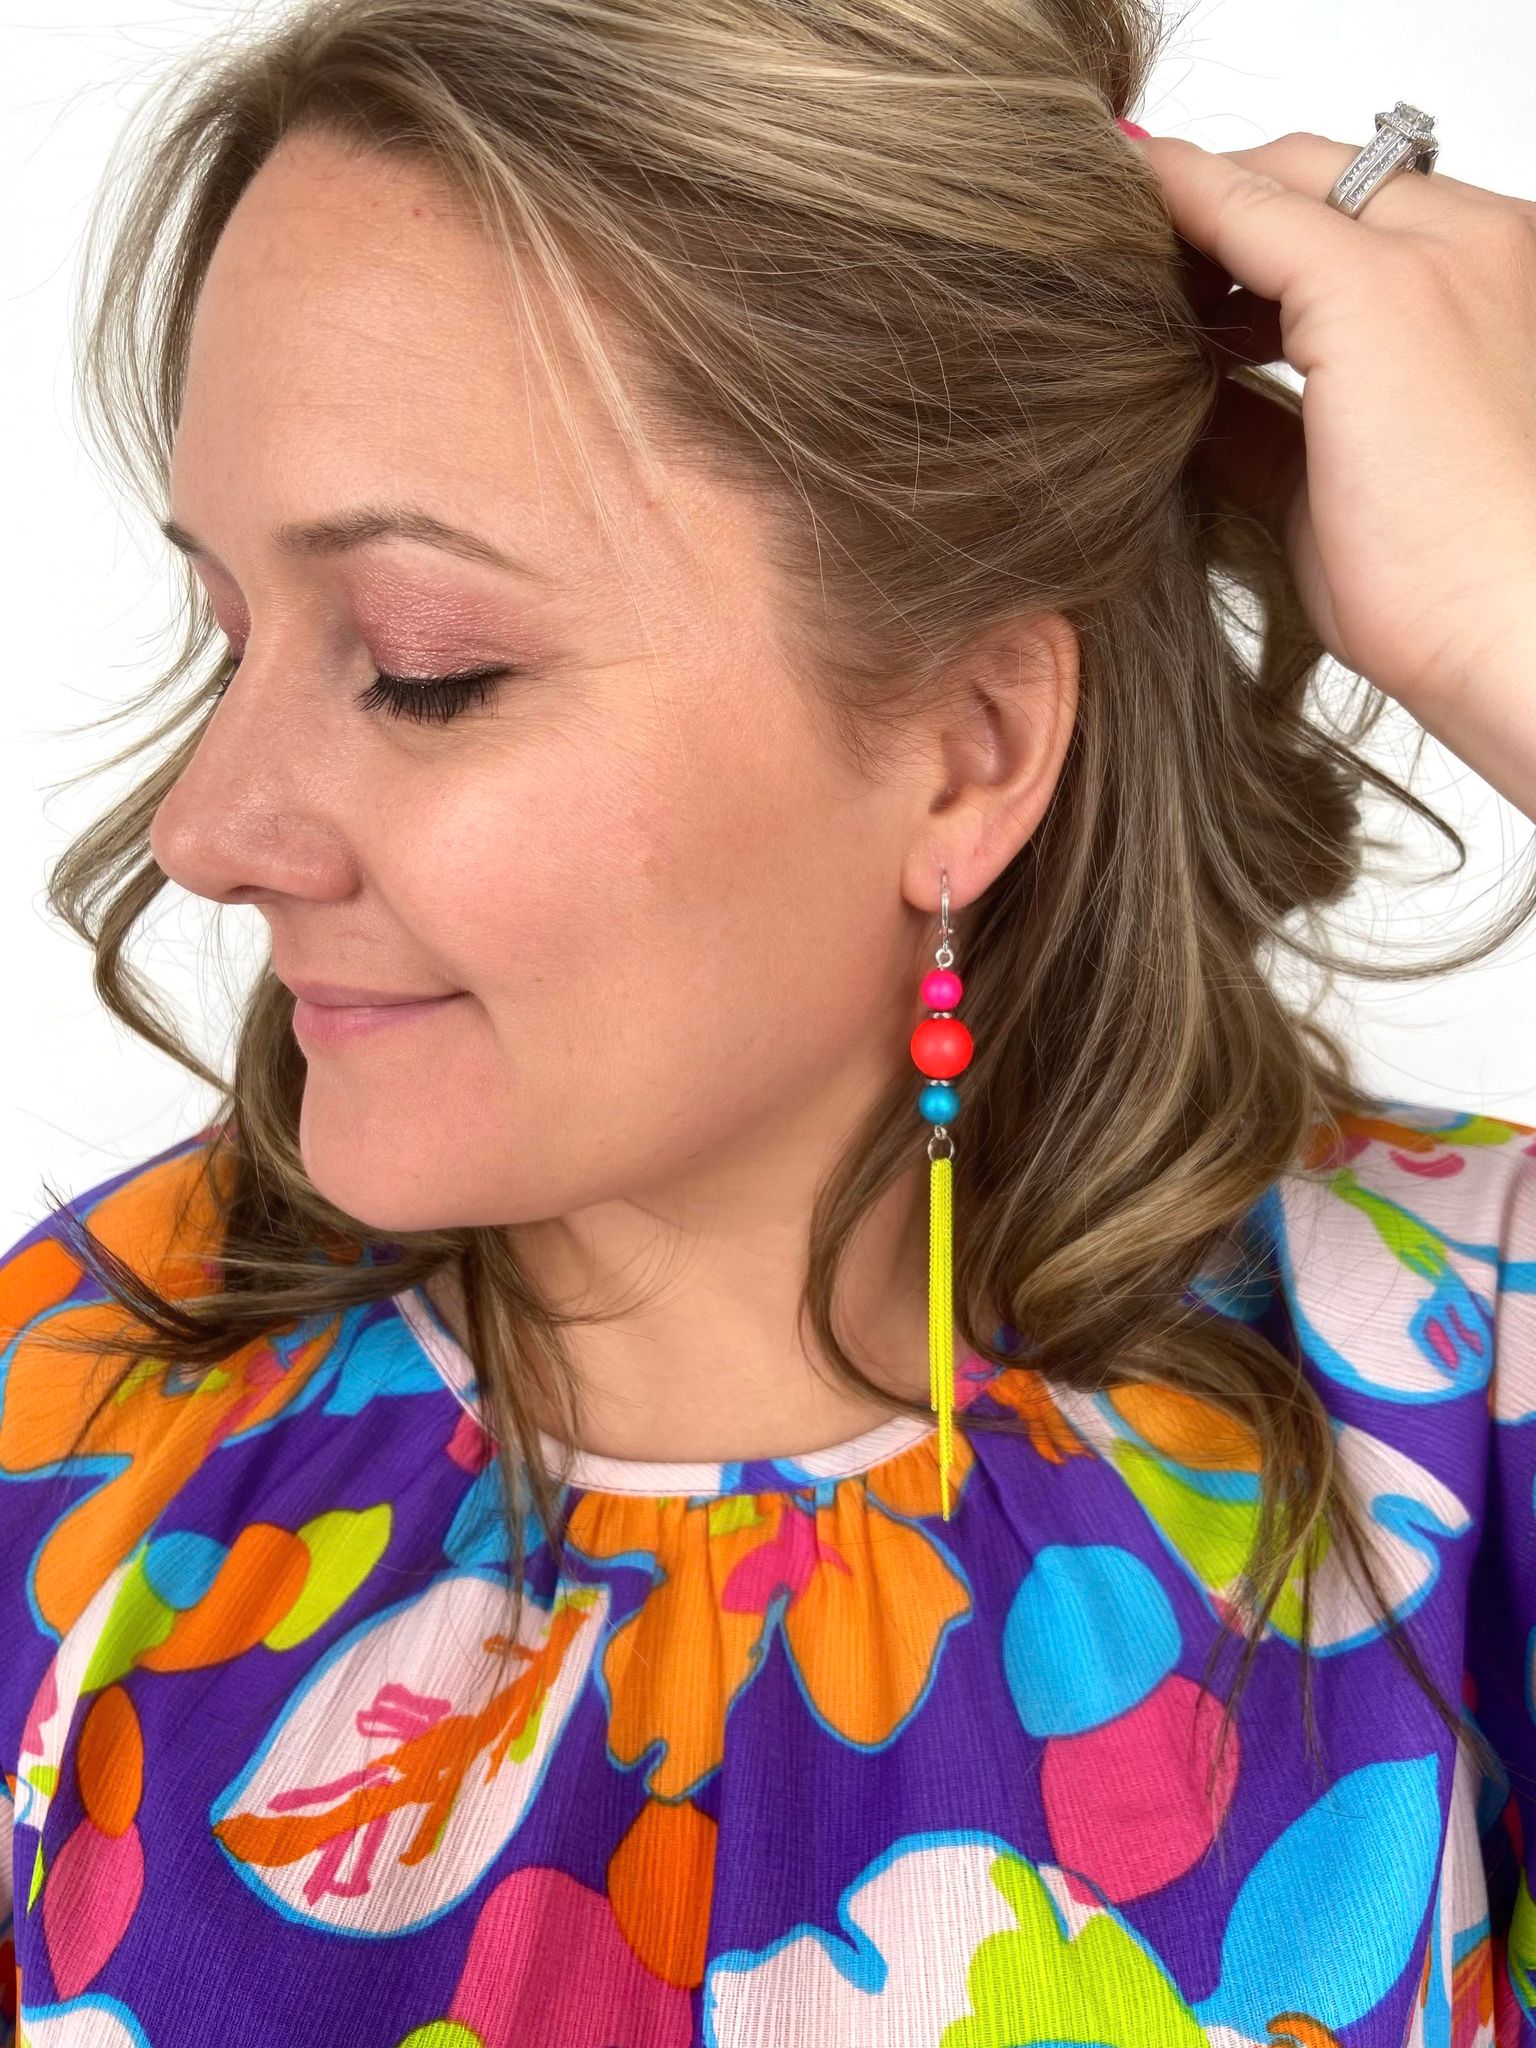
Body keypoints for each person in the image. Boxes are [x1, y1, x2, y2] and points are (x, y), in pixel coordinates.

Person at [2, 0, 1534, 2041]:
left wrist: (1514, 625)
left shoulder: (1465, 1400)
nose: (204, 831)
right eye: (232, 633)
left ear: (968, 748)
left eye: (425, 664)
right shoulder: (59, 1424)